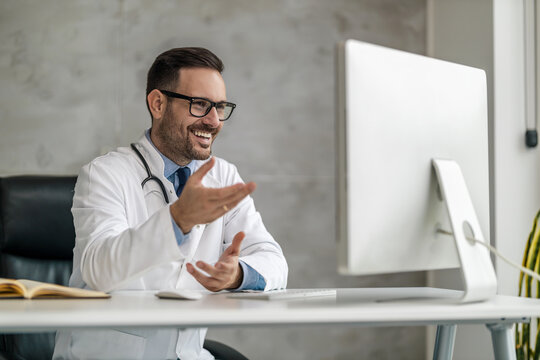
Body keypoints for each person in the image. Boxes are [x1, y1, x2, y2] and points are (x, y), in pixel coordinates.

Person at [53, 47, 288, 359]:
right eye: (200, 105)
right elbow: (99, 269)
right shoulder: (105, 174)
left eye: (219, 107)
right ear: (158, 103)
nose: (214, 121)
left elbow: (273, 260)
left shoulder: (223, 175)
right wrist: (176, 221)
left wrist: (238, 274)